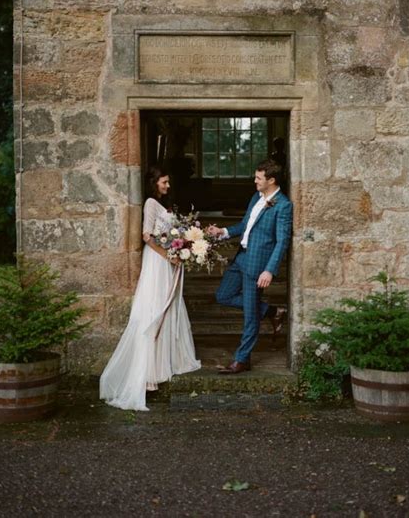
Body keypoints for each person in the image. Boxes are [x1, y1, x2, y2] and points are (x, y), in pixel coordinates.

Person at [100, 166, 200, 410]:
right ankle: (147, 373)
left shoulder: (162, 204)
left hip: (166, 261)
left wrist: (182, 247)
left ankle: (163, 362)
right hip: (157, 262)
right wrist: (168, 255)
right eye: (164, 182)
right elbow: (147, 236)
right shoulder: (150, 204)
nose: (167, 186)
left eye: (168, 182)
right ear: (155, 182)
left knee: (168, 304)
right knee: (154, 306)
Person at [208, 159, 292, 374]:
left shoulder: (283, 205)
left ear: (271, 180)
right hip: (241, 258)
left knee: (250, 316)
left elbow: (282, 241)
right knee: (223, 295)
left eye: (258, 178)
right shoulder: (256, 197)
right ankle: (272, 311)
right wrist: (223, 232)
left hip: (258, 265)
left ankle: (242, 359)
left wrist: (269, 270)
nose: (254, 181)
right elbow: (245, 226)